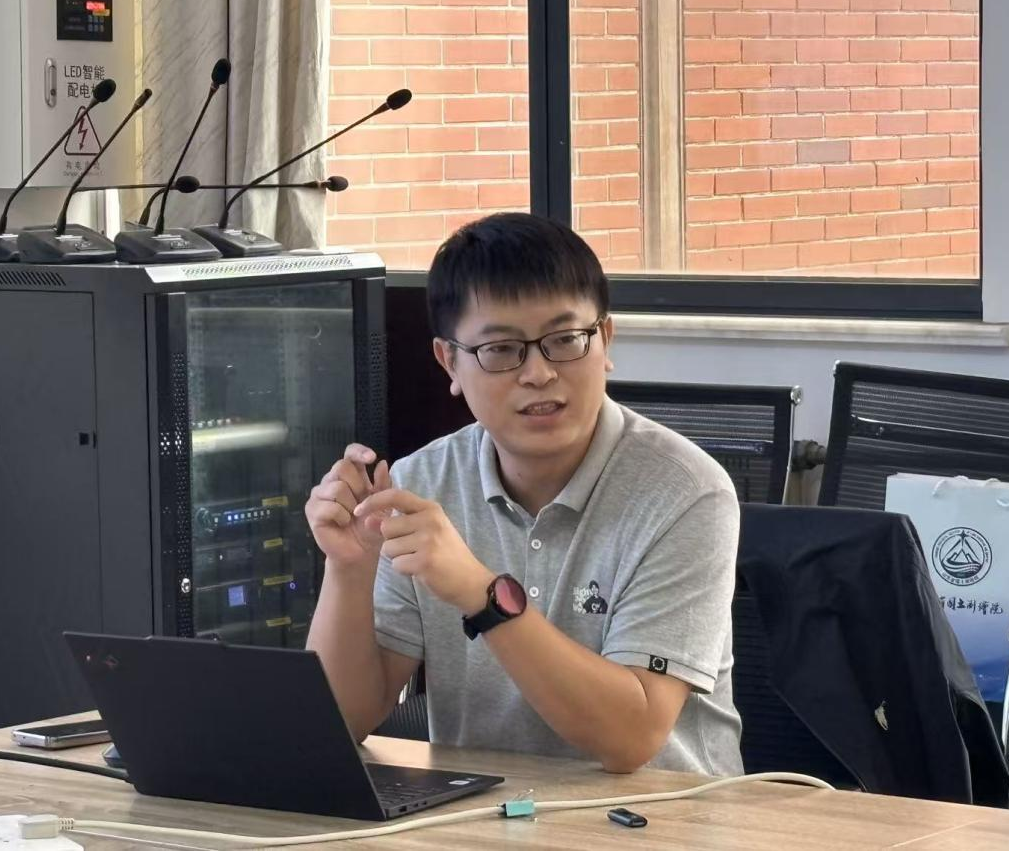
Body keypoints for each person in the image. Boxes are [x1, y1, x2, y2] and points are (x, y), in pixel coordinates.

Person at [305, 212, 742, 775]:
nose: (538, 373)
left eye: (565, 340)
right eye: (501, 349)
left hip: (667, 812)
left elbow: (631, 738)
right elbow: (340, 723)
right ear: (449, 361)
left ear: (605, 340)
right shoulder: (421, 485)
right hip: (481, 811)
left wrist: (483, 595)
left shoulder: (687, 493)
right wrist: (347, 571)